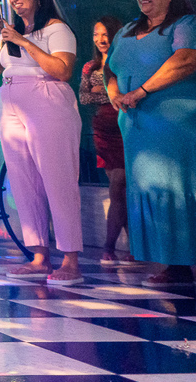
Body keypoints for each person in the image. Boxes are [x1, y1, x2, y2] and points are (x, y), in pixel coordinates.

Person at [0, 0, 83, 285]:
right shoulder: (8, 32)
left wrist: (23, 41)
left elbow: (63, 70)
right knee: (23, 180)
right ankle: (39, 255)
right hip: (10, 98)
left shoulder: (57, 28)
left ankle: (70, 259)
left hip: (47, 97)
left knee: (58, 178)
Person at [105, 0, 196, 288]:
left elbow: (186, 60)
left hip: (174, 122)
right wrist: (114, 93)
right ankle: (175, 263)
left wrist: (142, 91)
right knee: (152, 191)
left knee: (180, 187)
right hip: (136, 126)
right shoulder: (127, 30)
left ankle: (188, 260)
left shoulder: (184, 24)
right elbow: (109, 67)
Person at [79, 16, 129, 265]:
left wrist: (102, 92)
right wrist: (107, 95)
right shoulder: (90, 66)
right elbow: (84, 98)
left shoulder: (125, 61)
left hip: (128, 127)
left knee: (119, 187)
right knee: (119, 188)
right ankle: (130, 248)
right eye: (96, 34)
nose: (100, 39)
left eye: (105, 34)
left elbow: (128, 91)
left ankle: (110, 247)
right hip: (103, 131)